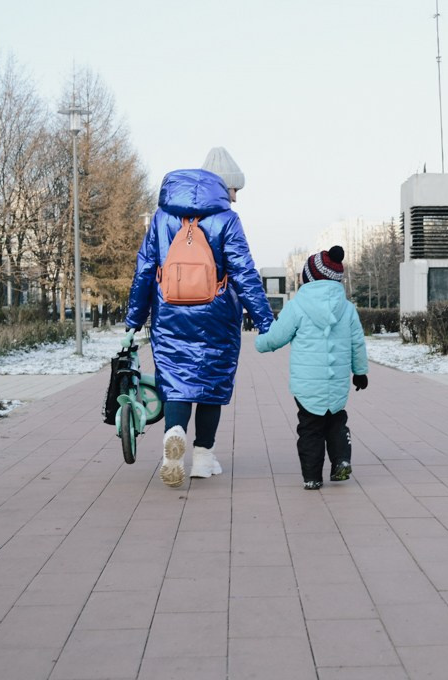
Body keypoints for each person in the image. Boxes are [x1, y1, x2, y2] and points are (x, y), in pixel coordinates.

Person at [125, 147, 274, 488]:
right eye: (233, 189)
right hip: (217, 315)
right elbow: (245, 273)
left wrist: (135, 317)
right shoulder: (227, 220)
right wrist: (265, 321)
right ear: (222, 186)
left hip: (169, 314)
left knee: (176, 383)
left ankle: (173, 436)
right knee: (211, 386)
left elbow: (145, 269)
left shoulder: (162, 217)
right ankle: (203, 458)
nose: (235, 197)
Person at [255, 246, 369, 490]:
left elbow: (277, 336)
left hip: (307, 385)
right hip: (337, 382)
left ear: (309, 277)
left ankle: (312, 476)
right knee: (337, 422)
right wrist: (359, 372)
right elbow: (357, 342)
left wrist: (260, 342)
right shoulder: (347, 309)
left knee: (310, 429)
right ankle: (341, 460)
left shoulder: (297, 307)